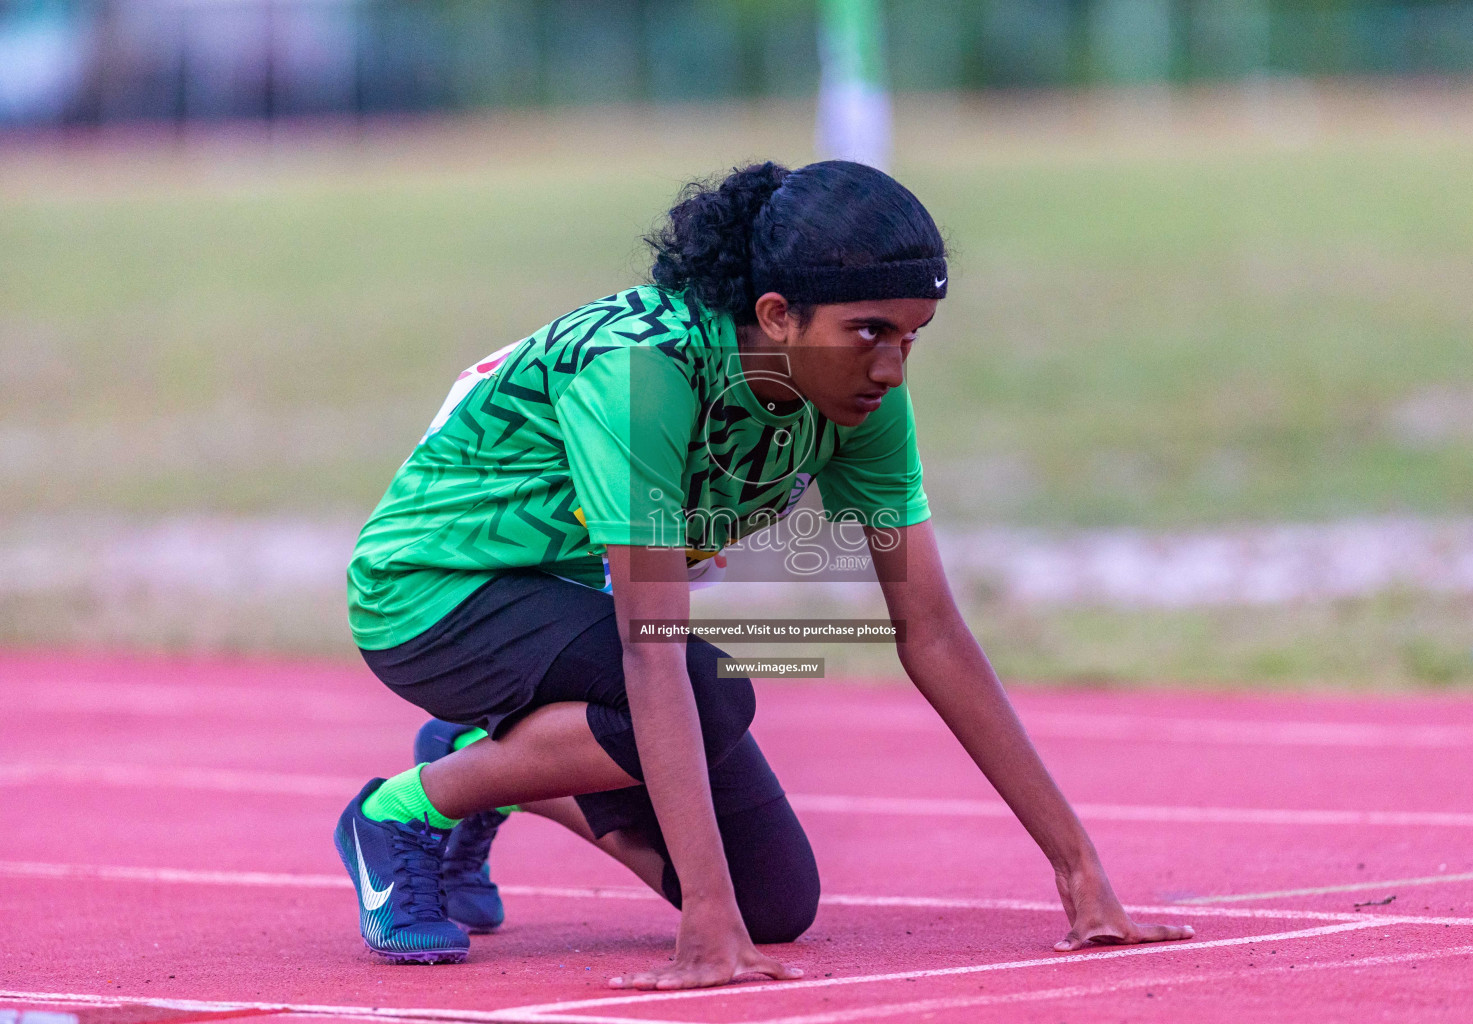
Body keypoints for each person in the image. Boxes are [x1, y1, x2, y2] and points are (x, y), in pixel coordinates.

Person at [335, 159, 1194, 989]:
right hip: (431, 594)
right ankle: (405, 810)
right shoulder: (644, 373)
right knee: (713, 690)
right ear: (778, 314)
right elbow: (651, 648)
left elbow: (929, 629)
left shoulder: (860, 402)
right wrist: (702, 921)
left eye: (911, 337)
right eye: (869, 332)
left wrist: (1082, 875)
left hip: (579, 609)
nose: (892, 369)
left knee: (775, 906)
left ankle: (496, 763)